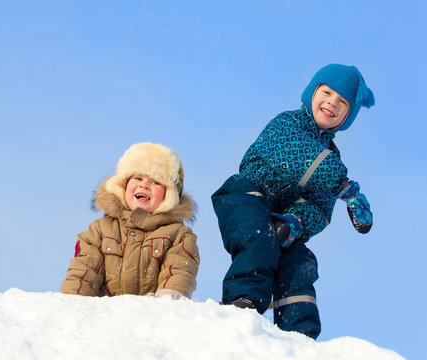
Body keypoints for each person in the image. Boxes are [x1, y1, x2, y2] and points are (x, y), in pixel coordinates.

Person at [211, 64, 375, 338]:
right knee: (259, 237)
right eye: (327, 92)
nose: (332, 103)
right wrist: (346, 188)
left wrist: (295, 223)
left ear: (347, 116)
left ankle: (299, 333)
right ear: (312, 92)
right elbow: (300, 159)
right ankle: (243, 303)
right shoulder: (288, 124)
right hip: (247, 194)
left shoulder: (332, 158)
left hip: (280, 216)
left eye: (342, 102)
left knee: (301, 261)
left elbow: (320, 209)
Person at [61, 142, 200, 299]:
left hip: (153, 316)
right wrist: (73, 300)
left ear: (169, 196)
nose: (144, 185)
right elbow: (84, 271)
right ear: (124, 186)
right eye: (138, 177)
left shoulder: (178, 235)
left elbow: (179, 269)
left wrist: (170, 295)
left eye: (156, 182)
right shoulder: (100, 230)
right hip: (106, 315)